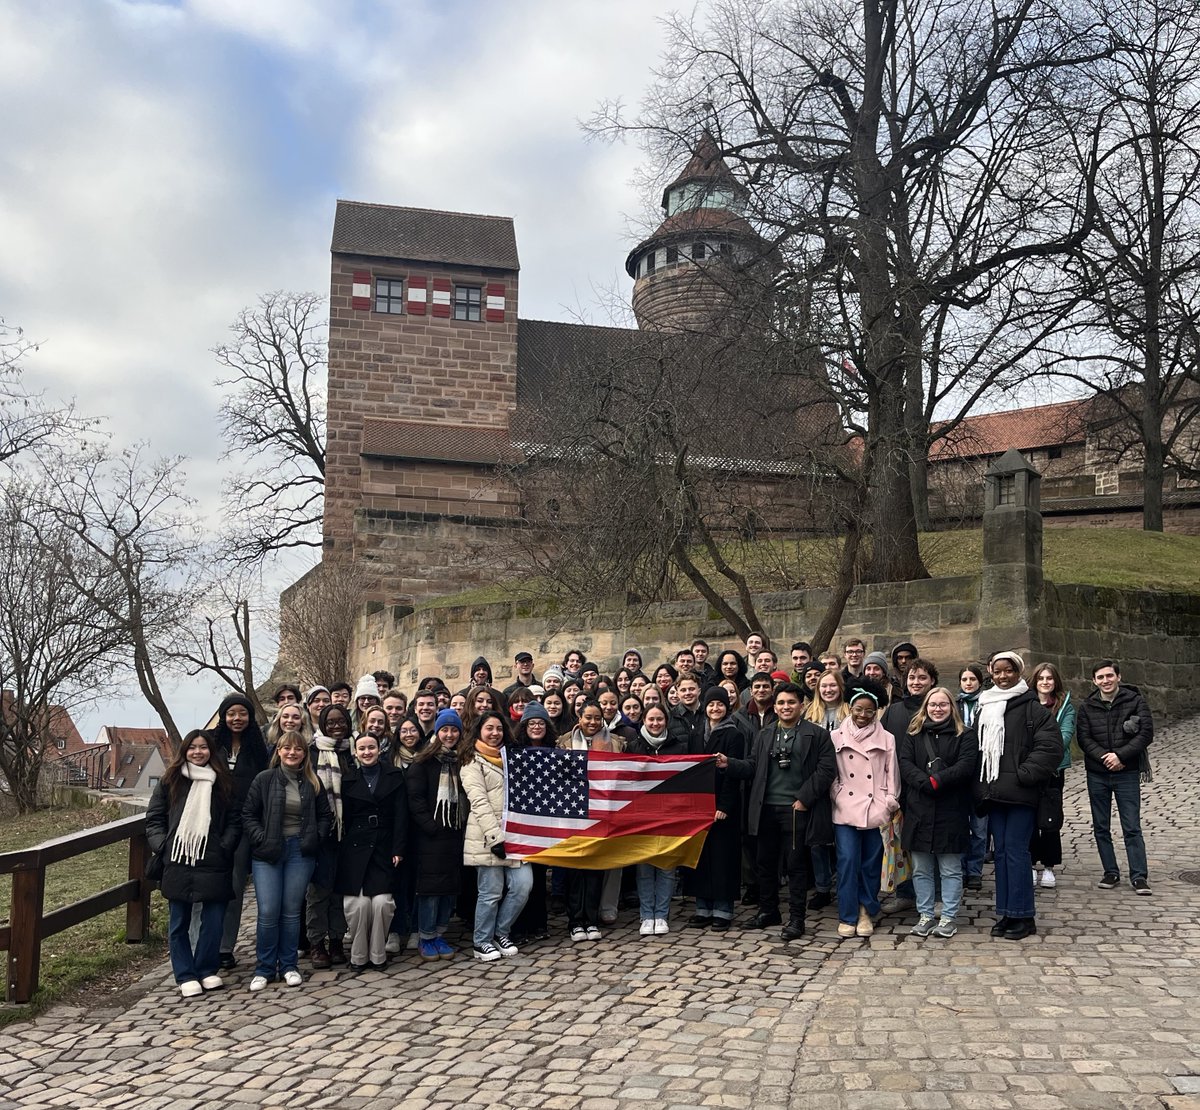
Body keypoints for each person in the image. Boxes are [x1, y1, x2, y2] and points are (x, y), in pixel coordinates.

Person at [720, 683, 836, 942]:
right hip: (765, 808)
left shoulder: (816, 735)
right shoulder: (765, 734)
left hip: (795, 809)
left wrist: (804, 798)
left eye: (791, 702)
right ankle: (768, 910)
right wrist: (730, 764)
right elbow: (753, 765)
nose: (786, 707)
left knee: (795, 866)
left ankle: (797, 919)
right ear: (775, 706)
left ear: (802, 704)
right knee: (765, 864)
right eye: (781, 703)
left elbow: (827, 770)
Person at [973, 651, 1061, 940]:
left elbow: (1050, 748)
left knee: (1016, 852)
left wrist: (1023, 774)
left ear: (1018, 672)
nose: (1002, 676)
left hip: (1021, 794)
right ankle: (1007, 912)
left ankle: (1024, 915)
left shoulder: (1031, 707)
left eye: (1008, 670)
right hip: (994, 793)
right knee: (1001, 854)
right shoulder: (984, 705)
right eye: (997, 671)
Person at [146, 730, 241, 998]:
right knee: (179, 920)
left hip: (214, 858)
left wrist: (225, 846)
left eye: (203, 747)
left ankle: (206, 969)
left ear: (211, 750)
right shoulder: (170, 780)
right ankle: (185, 973)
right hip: (178, 857)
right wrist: (162, 846)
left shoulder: (223, 782)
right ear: (184, 751)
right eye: (192, 748)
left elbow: (235, 820)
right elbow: (154, 818)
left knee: (213, 919)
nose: (198, 752)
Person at [242, 731, 333, 991]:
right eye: (287, 748)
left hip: (299, 851)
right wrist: (261, 838)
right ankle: (265, 968)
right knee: (269, 911)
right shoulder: (265, 779)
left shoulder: (311, 782)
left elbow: (325, 815)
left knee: (291, 912)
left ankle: (290, 965)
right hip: (268, 851)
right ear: (278, 751)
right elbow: (248, 814)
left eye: (298, 749)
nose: (292, 753)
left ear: (305, 754)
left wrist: (315, 837)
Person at [898, 688, 978, 939]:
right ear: (926, 707)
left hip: (950, 809)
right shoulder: (914, 734)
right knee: (921, 868)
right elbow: (905, 763)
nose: (937, 709)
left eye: (943, 704)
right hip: (919, 808)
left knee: (950, 869)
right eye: (933, 704)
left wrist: (938, 781)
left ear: (951, 707)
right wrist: (925, 782)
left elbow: (966, 765)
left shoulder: (965, 735)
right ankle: (925, 914)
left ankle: (949, 916)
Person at [1076, 659, 1153, 895]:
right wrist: (1104, 757)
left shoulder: (1135, 701)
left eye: (1109, 676)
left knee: (1131, 826)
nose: (1105, 681)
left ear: (1118, 677)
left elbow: (1146, 734)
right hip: (1098, 774)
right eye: (1100, 677)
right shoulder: (1087, 707)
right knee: (1101, 826)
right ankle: (1110, 872)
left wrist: (1119, 756)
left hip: (1126, 772)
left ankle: (1139, 876)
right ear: (1094, 681)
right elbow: (1084, 738)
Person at [462, 712, 533, 961]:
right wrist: (495, 838)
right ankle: (481, 941)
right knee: (490, 893)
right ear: (479, 731)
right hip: (487, 837)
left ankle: (501, 932)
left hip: (515, 836)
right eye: (489, 728)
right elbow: (479, 802)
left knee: (523, 886)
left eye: (499, 729)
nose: (495, 733)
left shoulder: (511, 758)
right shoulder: (472, 761)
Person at [829, 683, 899, 939]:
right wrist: (836, 793)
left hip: (874, 807)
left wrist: (888, 800)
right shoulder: (836, 736)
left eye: (869, 710)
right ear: (850, 708)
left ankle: (865, 911)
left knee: (871, 864)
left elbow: (892, 772)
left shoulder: (887, 738)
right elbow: (831, 772)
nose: (863, 715)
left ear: (876, 712)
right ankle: (847, 914)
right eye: (858, 709)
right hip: (845, 807)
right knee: (847, 861)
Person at [336, 732, 407, 972]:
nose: (367, 752)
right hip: (354, 848)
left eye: (371, 748)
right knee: (357, 905)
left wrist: (398, 848)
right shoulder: (347, 780)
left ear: (379, 750)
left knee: (382, 903)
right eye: (362, 748)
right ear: (355, 752)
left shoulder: (394, 776)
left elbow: (401, 816)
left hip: (384, 847)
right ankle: (358, 955)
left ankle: (377, 954)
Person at [210, 694, 270, 972]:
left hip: (244, 824)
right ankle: (202, 943)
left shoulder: (258, 748)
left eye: (242, 714)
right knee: (205, 884)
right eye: (231, 713)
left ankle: (224, 947)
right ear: (224, 716)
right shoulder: (210, 743)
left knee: (234, 886)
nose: (237, 718)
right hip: (211, 822)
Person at [406, 709, 470, 960]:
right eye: (445, 729)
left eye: (454, 730)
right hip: (430, 837)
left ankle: (440, 932)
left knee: (449, 889)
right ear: (437, 732)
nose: (450, 735)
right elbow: (416, 800)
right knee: (430, 890)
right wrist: (431, 827)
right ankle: (426, 935)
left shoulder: (462, 761)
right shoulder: (422, 763)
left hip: (455, 833)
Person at [625, 703, 688, 936]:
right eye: (651, 719)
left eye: (659, 719)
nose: (655, 723)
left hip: (670, 815)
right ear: (643, 721)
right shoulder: (633, 747)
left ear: (666, 721)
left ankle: (661, 914)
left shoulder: (679, 747)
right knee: (644, 868)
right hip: (642, 816)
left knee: (666, 867)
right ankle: (646, 915)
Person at [558, 701, 617, 941]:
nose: (592, 722)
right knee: (574, 871)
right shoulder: (563, 743)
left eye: (597, 718)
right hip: (573, 814)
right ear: (579, 718)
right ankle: (575, 921)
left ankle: (591, 921)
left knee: (594, 870)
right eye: (588, 717)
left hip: (601, 813)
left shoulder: (616, 743)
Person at [688, 688, 744, 931]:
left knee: (722, 859)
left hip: (723, 805)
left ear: (727, 706)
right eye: (711, 704)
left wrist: (724, 806)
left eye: (720, 705)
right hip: (700, 803)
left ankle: (723, 909)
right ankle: (703, 907)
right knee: (702, 857)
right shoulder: (696, 732)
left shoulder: (734, 734)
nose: (715, 709)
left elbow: (733, 775)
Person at [307, 704, 354, 970]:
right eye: (331, 722)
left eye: (341, 722)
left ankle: (336, 941)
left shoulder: (354, 750)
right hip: (321, 831)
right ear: (323, 724)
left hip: (347, 833)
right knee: (318, 892)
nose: (337, 726)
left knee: (339, 891)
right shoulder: (312, 753)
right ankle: (317, 943)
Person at [1029, 662, 1077, 889]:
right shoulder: (1027, 704)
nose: (1045, 682)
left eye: (1049, 678)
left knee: (1050, 818)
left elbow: (1064, 737)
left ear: (1055, 681)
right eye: (1041, 678)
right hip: (1029, 770)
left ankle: (1048, 865)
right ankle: (1029, 863)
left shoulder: (1065, 707)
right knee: (1028, 817)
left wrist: (1041, 755)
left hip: (1053, 770)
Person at [957, 663, 988, 890]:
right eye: (965, 679)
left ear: (979, 682)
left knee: (979, 827)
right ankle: (958, 869)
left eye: (972, 679)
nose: (968, 683)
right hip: (959, 772)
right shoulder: (954, 705)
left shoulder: (987, 705)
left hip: (981, 772)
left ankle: (975, 870)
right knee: (959, 825)